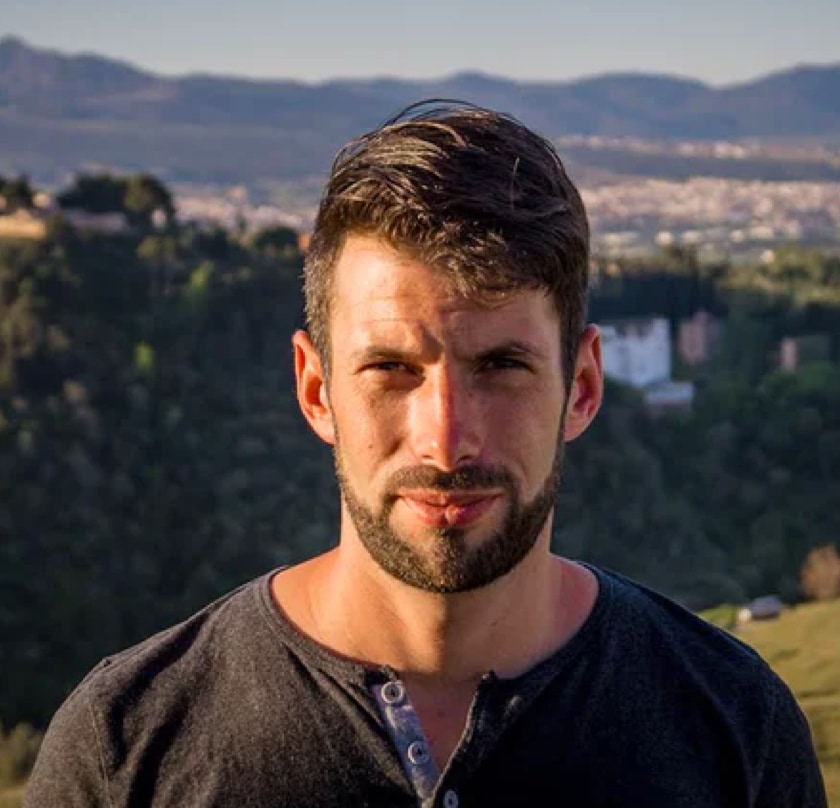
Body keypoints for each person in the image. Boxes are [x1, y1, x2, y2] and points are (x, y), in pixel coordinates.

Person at [24, 103, 826, 807]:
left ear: (582, 387)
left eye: (501, 366)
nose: (445, 440)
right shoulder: (124, 749)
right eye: (391, 369)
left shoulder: (734, 728)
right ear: (316, 390)